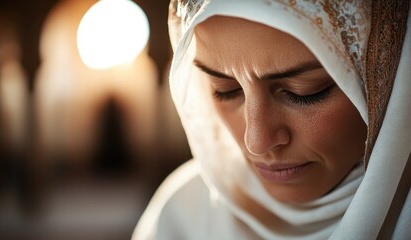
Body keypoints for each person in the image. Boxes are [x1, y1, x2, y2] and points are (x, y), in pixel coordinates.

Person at [132, 0, 411, 239]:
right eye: (226, 91)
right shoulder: (182, 216)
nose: (257, 141)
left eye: (303, 92)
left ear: (389, 78)